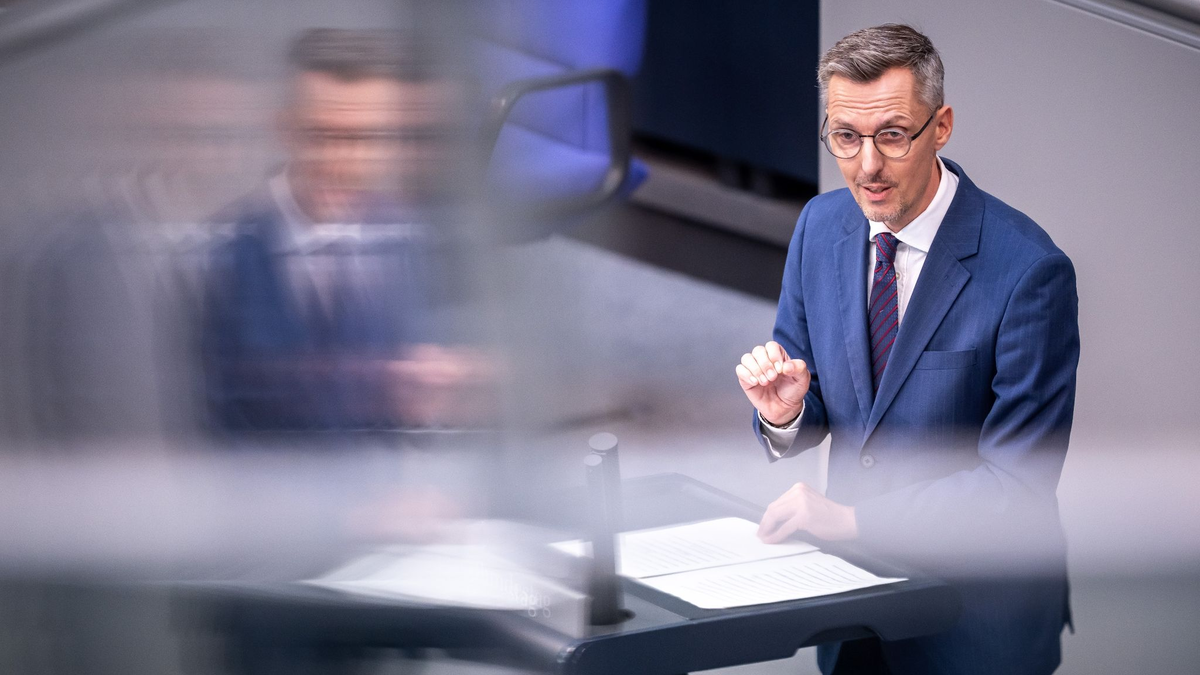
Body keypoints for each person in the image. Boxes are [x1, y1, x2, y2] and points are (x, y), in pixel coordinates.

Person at [735, 25, 1078, 675]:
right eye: (846, 136)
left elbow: (1016, 485)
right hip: (857, 609)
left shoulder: (1030, 273)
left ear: (940, 127)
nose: (867, 165)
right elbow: (817, 398)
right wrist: (785, 413)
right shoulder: (819, 226)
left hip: (974, 624)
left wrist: (851, 520)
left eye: (892, 135)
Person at [204, 28, 493, 434]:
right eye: (322, 136)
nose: (343, 160)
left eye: (366, 138)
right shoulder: (223, 252)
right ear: (285, 129)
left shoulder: (413, 239)